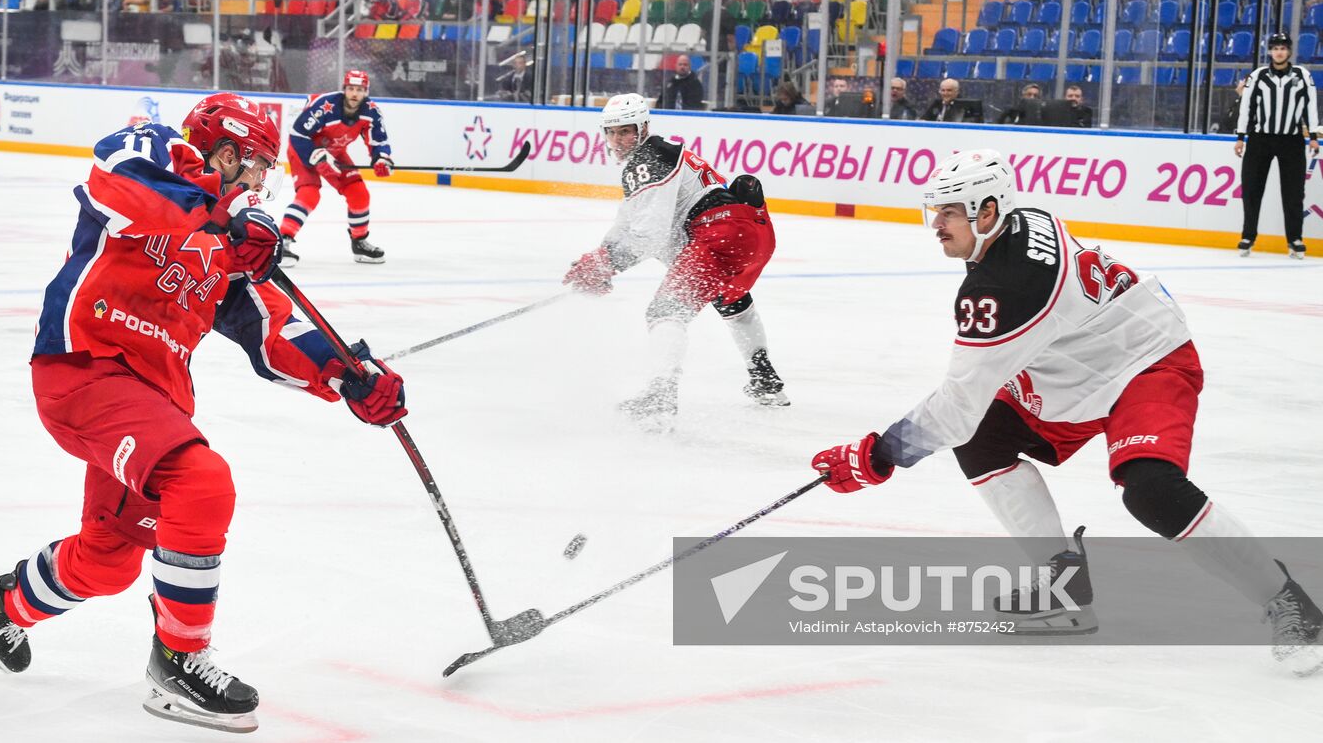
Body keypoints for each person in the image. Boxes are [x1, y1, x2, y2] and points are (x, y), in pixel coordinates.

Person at [0, 95, 409, 733]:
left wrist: (348, 375)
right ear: (225, 151)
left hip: (149, 402)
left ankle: (3, 602)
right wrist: (217, 209)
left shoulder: (231, 245)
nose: (260, 182)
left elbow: (275, 331)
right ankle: (179, 663)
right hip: (86, 368)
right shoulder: (157, 153)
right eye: (255, 166)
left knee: (108, 559)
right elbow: (117, 178)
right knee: (201, 483)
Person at [809, 149, 1323, 673]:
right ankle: (1062, 583)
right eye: (933, 211)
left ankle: (1290, 602)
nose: (936, 225)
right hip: (1076, 361)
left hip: (1146, 357)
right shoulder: (1022, 219)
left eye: (950, 213)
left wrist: (878, 454)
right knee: (982, 440)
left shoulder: (1004, 285)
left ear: (988, 212)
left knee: (1151, 489)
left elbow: (958, 404)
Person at [563, 94, 788, 429]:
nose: (617, 140)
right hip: (750, 233)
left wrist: (605, 265)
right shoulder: (656, 155)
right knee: (733, 302)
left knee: (665, 311)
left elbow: (649, 235)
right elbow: (630, 223)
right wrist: (603, 257)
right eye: (611, 132)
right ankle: (766, 381)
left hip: (720, 234)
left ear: (643, 128)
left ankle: (660, 395)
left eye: (626, 131)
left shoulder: (650, 158)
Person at [279, 70, 394, 266]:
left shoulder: (371, 112)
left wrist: (381, 158)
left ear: (366, 92)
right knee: (309, 194)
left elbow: (378, 141)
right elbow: (298, 134)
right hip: (303, 150)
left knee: (359, 193)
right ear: (344, 89)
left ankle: (359, 242)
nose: (354, 94)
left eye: (359, 89)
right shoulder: (326, 106)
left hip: (335, 151)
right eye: (351, 89)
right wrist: (317, 157)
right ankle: (282, 241)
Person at [1234, 31, 1319, 258]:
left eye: (1283, 48)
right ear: (1270, 51)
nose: (1279, 52)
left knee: (1293, 192)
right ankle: (1248, 236)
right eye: (1275, 48)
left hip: (1291, 140)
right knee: (1252, 189)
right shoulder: (1258, 76)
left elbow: (1310, 107)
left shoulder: (1302, 75)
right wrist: (1241, 136)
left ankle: (1295, 239)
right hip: (1260, 139)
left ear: (1289, 51)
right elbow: (1247, 108)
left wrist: (1313, 135)